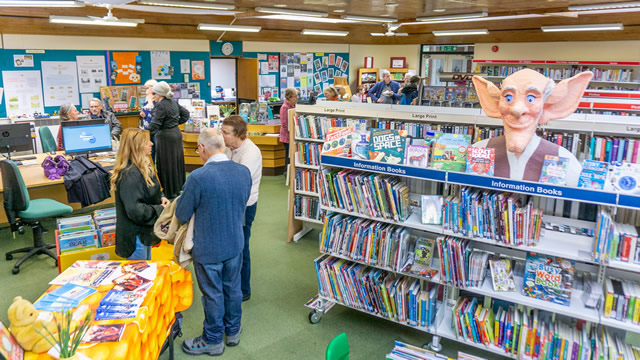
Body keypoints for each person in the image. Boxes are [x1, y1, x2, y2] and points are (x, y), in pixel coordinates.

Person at [175, 128, 251, 356]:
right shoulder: (243, 172)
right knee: (233, 288)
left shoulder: (198, 178)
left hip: (208, 248)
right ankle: (233, 331)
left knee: (212, 294)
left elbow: (181, 214)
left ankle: (213, 339)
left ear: (202, 148)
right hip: (235, 242)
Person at [111, 128, 169, 260]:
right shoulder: (130, 175)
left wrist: (161, 197)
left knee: (146, 271)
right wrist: (160, 209)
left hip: (144, 233)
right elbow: (135, 210)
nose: (151, 144)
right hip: (135, 237)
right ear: (137, 146)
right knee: (139, 275)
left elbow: (151, 188)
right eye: (147, 141)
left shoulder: (143, 167)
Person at [222, 116, 262, 302]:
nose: (222, 137)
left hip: (244, 207)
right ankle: (231, 282)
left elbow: (238, 181)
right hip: (230, 203)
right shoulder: (230, 148)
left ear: (238, 134)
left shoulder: (250, 153)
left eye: (226, 133)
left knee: (241, 246)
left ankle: (244, 288)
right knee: (231, 244)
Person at [148, 81, 190, 199]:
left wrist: (144, 134)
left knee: (166, 163)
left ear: (160, 94)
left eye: (154, 93)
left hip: (165, 136)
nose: (153, 96)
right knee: (176, 162)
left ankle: (169, 191)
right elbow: (186, 114)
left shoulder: (160, 106)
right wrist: (175, 123)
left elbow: (155, 124)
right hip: (176, 134)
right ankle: (177, 188)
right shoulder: (173, 102)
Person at [140, 79, 158, 160]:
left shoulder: (157, 100)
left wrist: (151, 101)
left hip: (155, 129)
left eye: (147, 88)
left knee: (155, 149)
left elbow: (156, 112)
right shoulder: (146, 100)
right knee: (149, 151)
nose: (146, 90)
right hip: (146, 129)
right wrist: (142, 114)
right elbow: (145, 111)